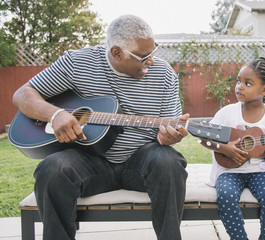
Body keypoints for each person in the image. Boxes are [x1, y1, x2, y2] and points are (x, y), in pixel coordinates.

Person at [12, 15, 189, 240]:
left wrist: (169, 138)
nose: (151, 61)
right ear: (117, 52)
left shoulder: (164, 75)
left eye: (153, 52)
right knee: (52, 168)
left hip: (141, 162)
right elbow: (22, 94)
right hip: (90, 162)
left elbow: (171, 127)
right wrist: (55, 114)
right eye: (144, 57)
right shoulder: (78, 63)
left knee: (168, 161)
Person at [201, 57, 265, 240]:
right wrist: (225, 148)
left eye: (247, 83)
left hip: (260, 171)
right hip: (228, 171)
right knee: (226, 196)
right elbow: (204, 138)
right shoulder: (227, 112)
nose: (239, 86)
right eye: (238, 81)